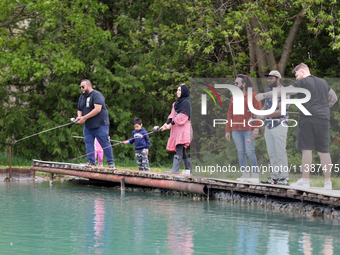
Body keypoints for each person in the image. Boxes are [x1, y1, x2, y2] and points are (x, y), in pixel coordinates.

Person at [255, 63, 338, 189]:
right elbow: (334, 98)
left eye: (297, 74)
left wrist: (264, 95)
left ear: (303, 71)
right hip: (323, 119)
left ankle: (305, 181)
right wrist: (322, 108)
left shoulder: (303, 82)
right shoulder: (323, 82)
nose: (296, 77)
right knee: (324, 151)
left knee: (307, 150)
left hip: (307, 119)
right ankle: (328, 183)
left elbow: (284, 91)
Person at [256, 70, 290, 186]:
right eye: (268, 78)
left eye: (271, 78)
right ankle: (274, 177)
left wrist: (264, 115)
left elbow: (281, 111)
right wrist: (258, 113)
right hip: (268, 126)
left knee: (280, 152)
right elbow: (266, 107)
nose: (268, 80)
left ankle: (284, 178)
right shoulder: (269, 91)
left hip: (280, 125)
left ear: (278, 79)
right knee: (272, 153)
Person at [225, 74, 261, 183]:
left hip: (249, 129)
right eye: (234, 83)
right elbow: (229, 114)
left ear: (244, 84)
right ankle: (245, 174)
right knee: (240, 151)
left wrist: (256, 128)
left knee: (250, 151)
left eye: (237, 83)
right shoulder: (233, 98)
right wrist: (227, 130)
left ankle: (254, 175)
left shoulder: (254, 96)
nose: (235, 85)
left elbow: (258, 114)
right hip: (236, 129)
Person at [76, 79, 115, 169]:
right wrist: (79, 117)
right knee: (88, 143)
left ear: (89, 86)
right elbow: (79, 109)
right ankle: (91, 162)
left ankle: (110, 163)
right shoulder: (81, 97)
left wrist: (84, 118)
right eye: (80, 87)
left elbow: (97, 109)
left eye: (83, 87)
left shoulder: (97, 95)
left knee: (105, 143)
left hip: (100, 124)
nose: (81, 89)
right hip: (88, 126)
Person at [161, 84, 192, 174]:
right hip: (176, 128)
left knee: (179, 146)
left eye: (179, 90)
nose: (177, 92)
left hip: (183, 128)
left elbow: (182, 117)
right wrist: (165, 124)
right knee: (181, 149)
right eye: (177, 90)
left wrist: (170, 124)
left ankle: (175, 170)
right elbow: (171, 115)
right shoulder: (176, 103)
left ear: (184, 92)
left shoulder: (186, 103)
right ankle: (188, 169)